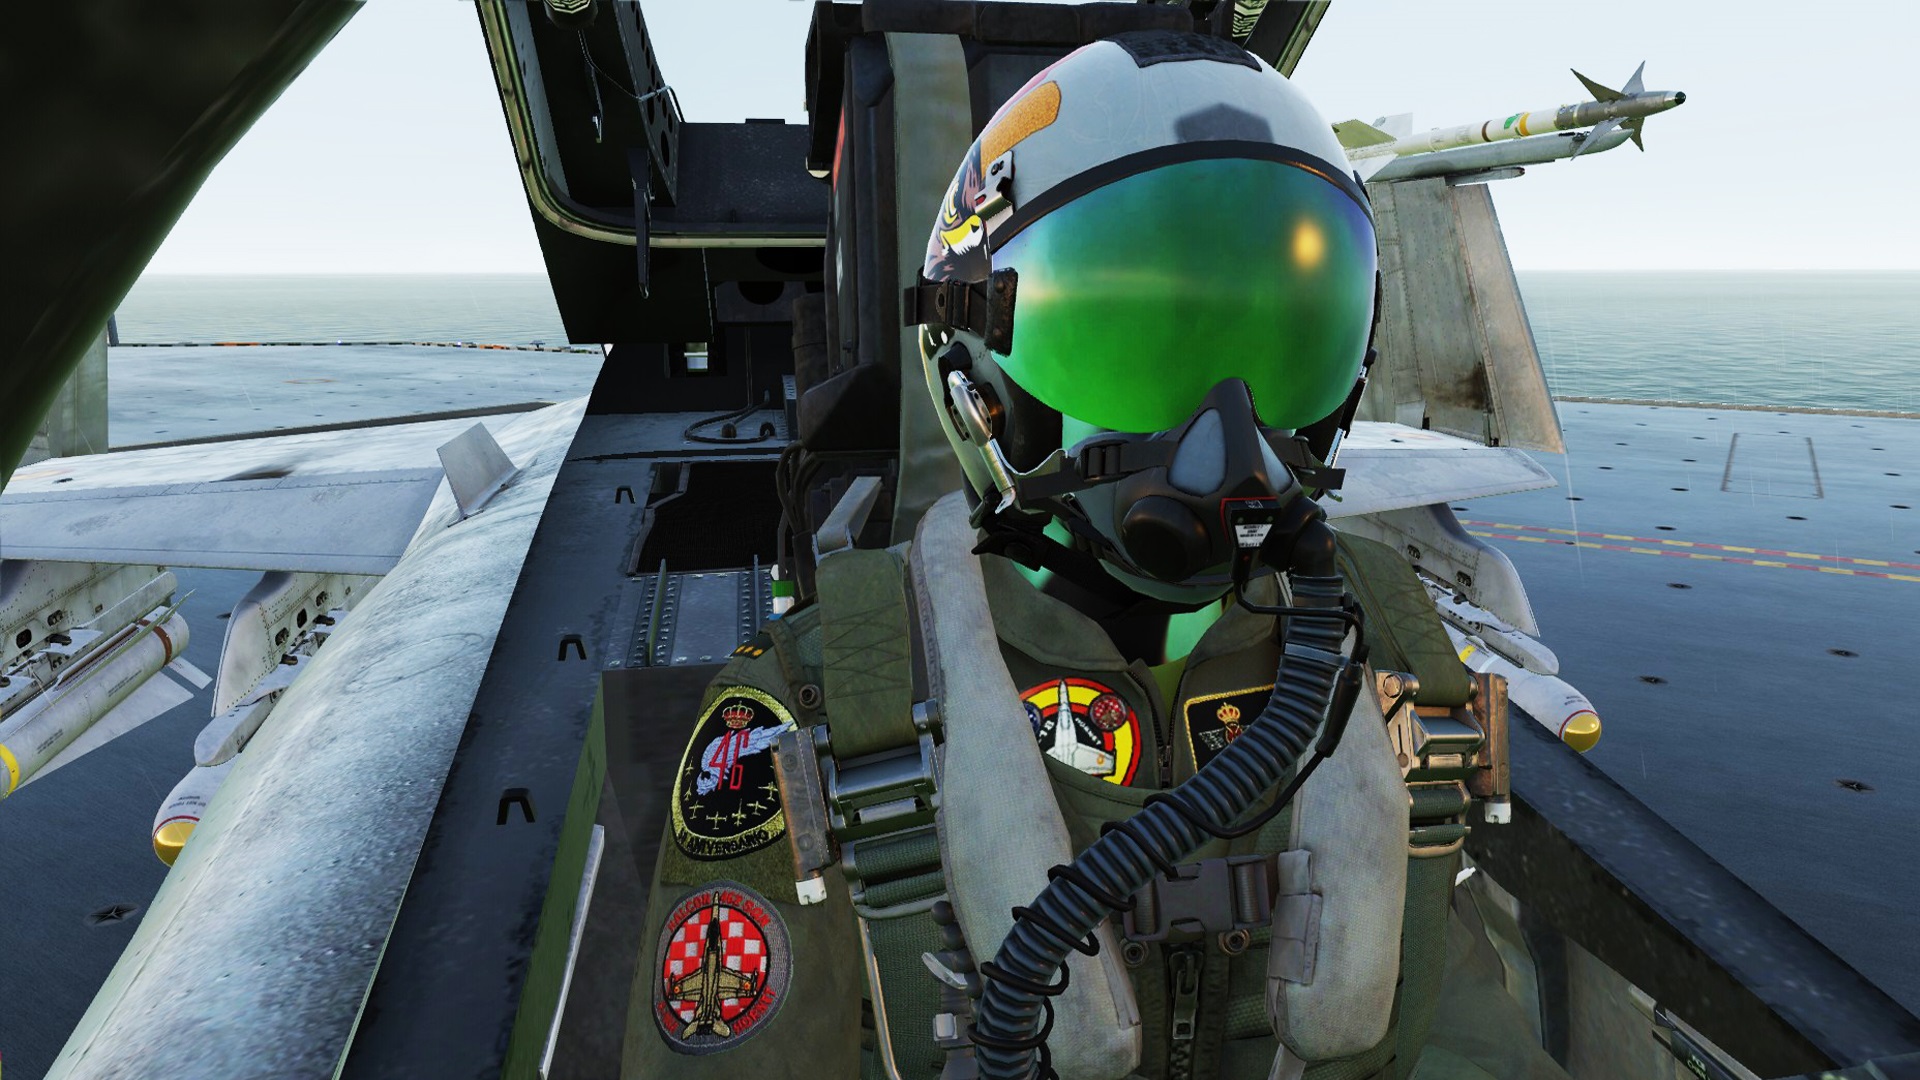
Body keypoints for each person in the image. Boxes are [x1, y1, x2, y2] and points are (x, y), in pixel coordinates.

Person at [625, 29, 1568, 1080]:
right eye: (1133, 350)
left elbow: (1455, 1012)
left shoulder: (1386, 652)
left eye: (1283, 345)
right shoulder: (823, 706)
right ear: (979, 387)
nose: (1232, 441)